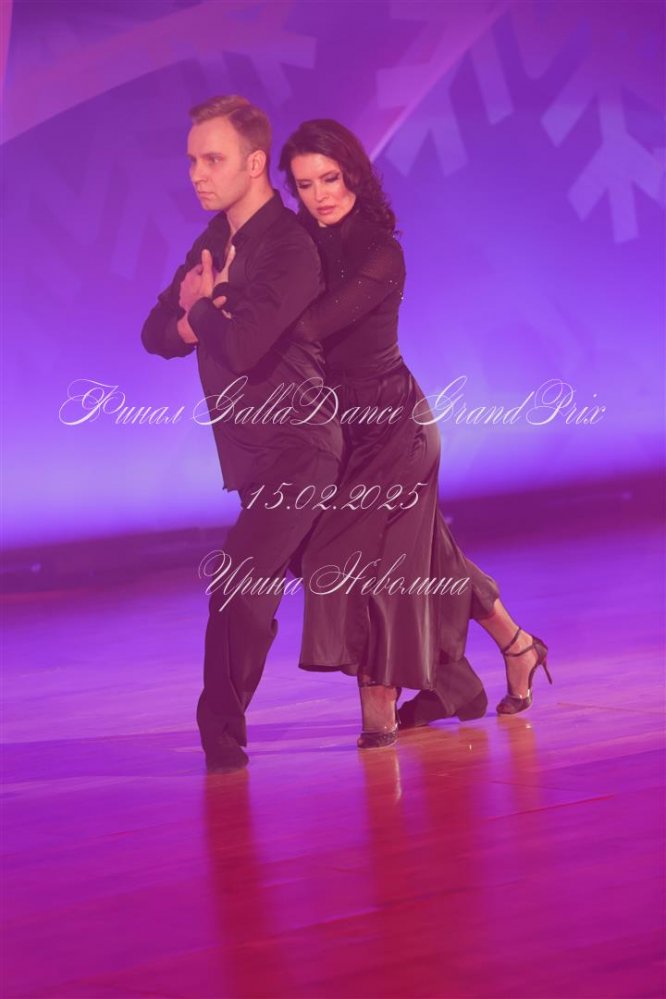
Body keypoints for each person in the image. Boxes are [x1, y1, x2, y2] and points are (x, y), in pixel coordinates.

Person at [277, 119, 551, 747]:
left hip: (397, 431)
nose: (320, 195)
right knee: (430, 561)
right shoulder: (301, 243)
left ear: (353, 174)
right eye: (305, 184)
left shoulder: (380, 251)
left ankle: (379, 702)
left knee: (364, 564)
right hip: (341, 434)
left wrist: (242, 312)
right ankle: (513, 648)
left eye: (330, 178)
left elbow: (309, 327)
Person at [141, 97, 343, 773]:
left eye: (212, 159)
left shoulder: (292, 246)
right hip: (253, 454)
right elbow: (154, 332)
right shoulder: (212, 242)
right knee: (357, 582)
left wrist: (202, 309)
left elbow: (245, 345)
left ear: (255, 164)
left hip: (300, 448)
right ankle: (456, 677)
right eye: (192, 160)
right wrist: (197, 316)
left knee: (237, 585)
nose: (197, 174)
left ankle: (220, 732)